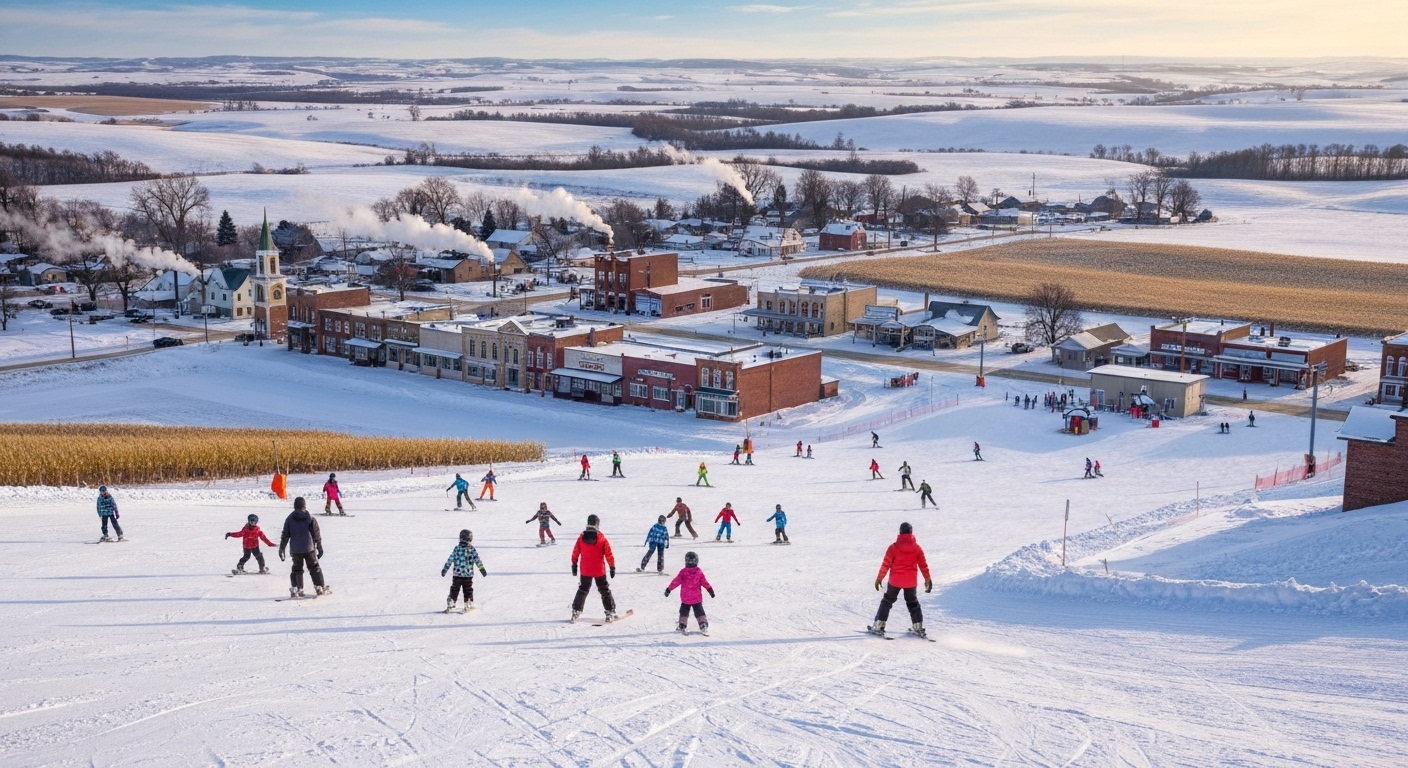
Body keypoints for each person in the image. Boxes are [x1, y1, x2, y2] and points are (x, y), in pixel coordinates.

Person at [869, 522, 932, 638]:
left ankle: (879, 625)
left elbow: (885, 565)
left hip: (895, 581)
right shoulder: (917, 548)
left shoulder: (893, 548)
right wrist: (927, 579)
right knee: (913, 603)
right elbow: (923, 565)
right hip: (911, 582)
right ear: (911, 532)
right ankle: (918, 627)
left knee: (887, 601)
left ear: (900, 532)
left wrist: (879, 578)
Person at [570, 514, 617, 622]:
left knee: (583, 589)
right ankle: (610, 611)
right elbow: (608, 554)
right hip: (598, 570)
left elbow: (575, 552)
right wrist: (612, 566)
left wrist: (574, 564)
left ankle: (576, 610)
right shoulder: (601, 538)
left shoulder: (581, 538)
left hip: (585, 569)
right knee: (604, 590)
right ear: (597, 524)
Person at [279, 497, 328, 598]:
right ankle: (319, 586)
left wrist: (282, 548)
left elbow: (285, 535)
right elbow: (316, 534)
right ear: (304, 505)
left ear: (295, 506)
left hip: (296, 549)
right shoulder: (309, 518)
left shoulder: (289, 519)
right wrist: (319, 546)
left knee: (297, 569)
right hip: (309, 548)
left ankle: (297, 588)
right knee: (314, 567)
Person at [666, 551, 714, 635]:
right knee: (699, 611)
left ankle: (682, 624)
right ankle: (703, 624)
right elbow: (704, 582)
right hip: (696, 598)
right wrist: (710, 590)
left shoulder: (683, 572)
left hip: (686, 597)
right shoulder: (698, 572)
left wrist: (669, 589)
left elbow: (676, 581)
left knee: (684, 611)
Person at [441, 529, 487, 613]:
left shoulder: (457, 549)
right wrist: (482, 569)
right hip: (467, 575)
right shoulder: (471, 549)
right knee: (468, 589)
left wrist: (445, 569)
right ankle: (468, 602)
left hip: (457, 575)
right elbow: (477, 560)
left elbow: (450, 559)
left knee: (454, 588)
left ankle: (451, 601)